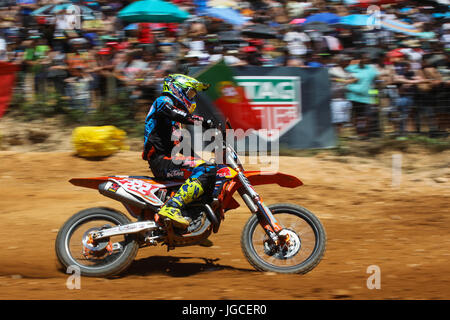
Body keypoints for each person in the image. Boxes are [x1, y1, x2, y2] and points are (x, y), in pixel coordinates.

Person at [142, 74, 217, 229]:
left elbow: (185, 147)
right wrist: (202, 121)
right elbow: (176, 113)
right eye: (190, 93)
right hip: (161, 160)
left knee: (208, 169)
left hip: (170, 161)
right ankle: (172, 207)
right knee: (206, 169)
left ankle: (196, 219)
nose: (192, 98)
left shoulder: (174, 123)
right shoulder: (163, 102)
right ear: (177, 89)